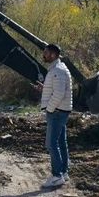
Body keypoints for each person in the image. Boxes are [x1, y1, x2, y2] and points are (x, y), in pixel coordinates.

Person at [35, 43, 72, 188]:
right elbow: (57, 89)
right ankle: (64, 172)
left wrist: (49, 109)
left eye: (46, 52)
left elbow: (59, 93)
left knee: (51, 144)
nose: (43, 55)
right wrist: (44, 88)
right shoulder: (58, 69)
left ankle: (57, 176)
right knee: (61, 142)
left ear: (53, 54)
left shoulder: (57, 70)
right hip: (60, 110)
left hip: (56, 112)